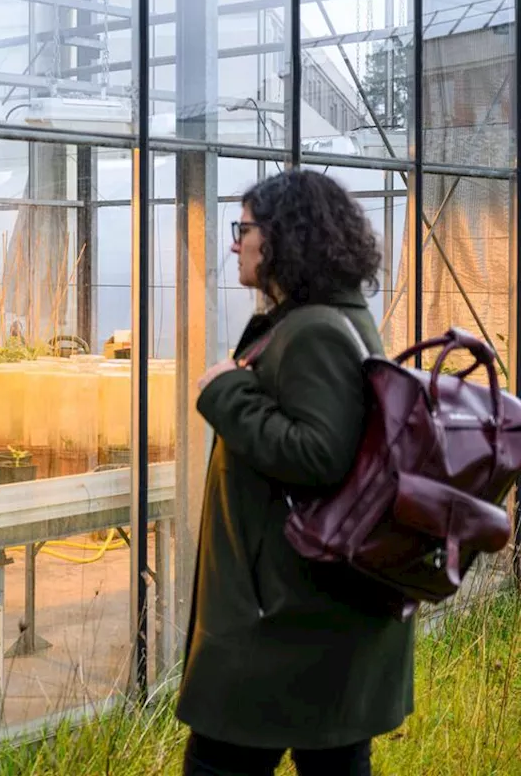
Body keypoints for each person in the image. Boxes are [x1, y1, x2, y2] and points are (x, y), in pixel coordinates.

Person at [175, 169, 415, 776]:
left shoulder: (313, 331)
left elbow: (318, 455)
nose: (235, 243)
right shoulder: (325, 319)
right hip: (315, 617)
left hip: (283, 627)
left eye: (245, 228)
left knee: (219, 763)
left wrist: (226, 391)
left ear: (284, 237)